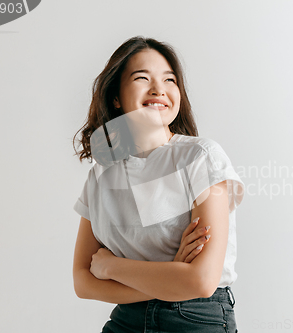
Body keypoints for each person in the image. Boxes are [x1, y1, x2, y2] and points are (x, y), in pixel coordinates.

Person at [71, 36, 244, 333]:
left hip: (193, 318)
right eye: (142, 78)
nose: (159, 90)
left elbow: (201, 281)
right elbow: (83, 281)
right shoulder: (101, 176)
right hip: (126, 321)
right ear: (116, 97)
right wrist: (170, 277)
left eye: (169, 80)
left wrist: (112, 267)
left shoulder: (201, 158)